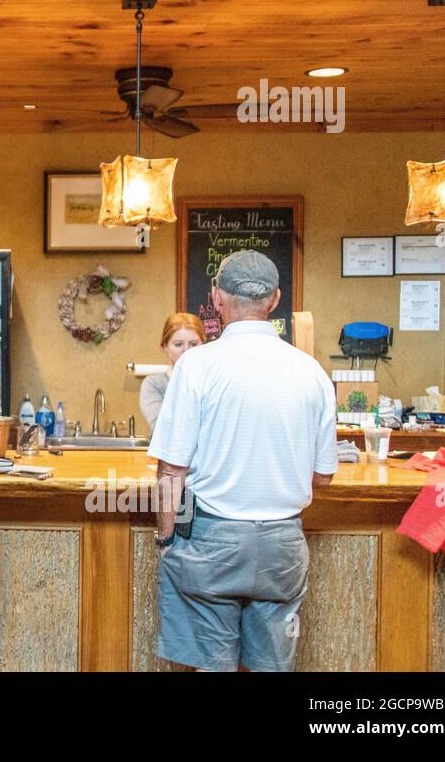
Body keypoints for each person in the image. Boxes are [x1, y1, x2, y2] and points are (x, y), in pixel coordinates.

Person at [148, 250, 337, 672]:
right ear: (274, 300)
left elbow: (172, 471)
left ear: (216, 297)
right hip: (283, 545)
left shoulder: (196, 366)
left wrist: (165, 538)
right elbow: (323, 476)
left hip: (212, 539)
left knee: (213, 667)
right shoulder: (312, 372)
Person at [140, 312, 205, 433]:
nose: (186, 350)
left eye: (193, 344)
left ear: (203, 345)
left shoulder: (213, 381)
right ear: (166, 346)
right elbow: (161, 430)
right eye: (178, 344)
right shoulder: (154, 384)